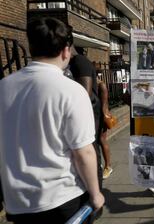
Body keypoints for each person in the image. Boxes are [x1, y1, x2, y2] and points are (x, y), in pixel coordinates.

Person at [0, 17, 104, 223]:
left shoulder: (4, 86)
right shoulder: (71, 90)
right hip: (62, 199)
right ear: (66, 50)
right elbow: (83, 152)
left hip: (17, 202)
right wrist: (96, 193)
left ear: (31, 47)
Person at [69, 45, 103, 190]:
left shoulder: (79, 61)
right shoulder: (78, 61)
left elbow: (85, 95)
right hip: (87, 116)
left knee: (91, 150)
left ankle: (95, 190)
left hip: (88, 118)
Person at [97, 75, 113, 179]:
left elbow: (104, 104)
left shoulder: (101, 85)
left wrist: (104, 116)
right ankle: (99, 165)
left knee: (102, 140)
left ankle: (108, 167)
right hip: (94, 115)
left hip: (101, 116)